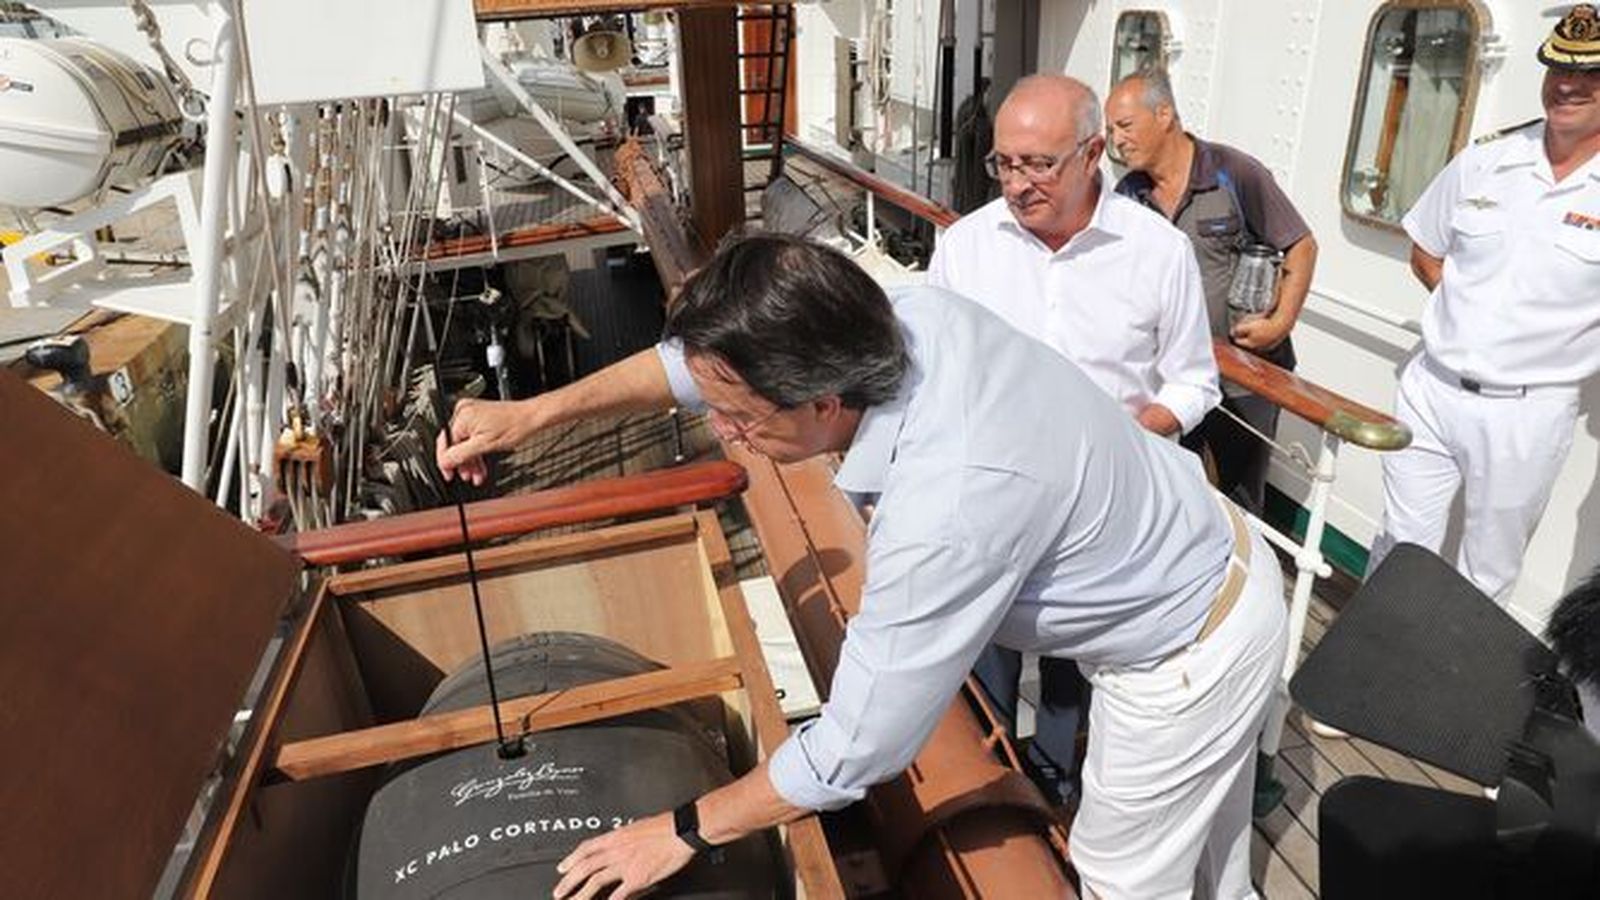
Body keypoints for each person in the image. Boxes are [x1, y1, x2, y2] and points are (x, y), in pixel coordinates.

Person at [438, 234, 1288, 899]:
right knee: (1219, 879)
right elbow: (692, 368)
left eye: (738, 421)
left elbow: (859, 749)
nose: (727, 435)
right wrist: (531, 415)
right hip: (1213, 558)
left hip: (1183, 656)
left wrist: (684, 830)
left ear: (824, 403)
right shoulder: (897, 320)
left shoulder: (949, 503)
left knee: (1125, 881)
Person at [926, 73, 1220, 809]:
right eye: (1004, 163)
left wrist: (1123, 435)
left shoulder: (1157, 252)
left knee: (1077, 666)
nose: (1018, 184)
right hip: (995, 494)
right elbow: (933, 373)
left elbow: (1193, 383)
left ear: (1092, 153)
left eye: (1038, 164)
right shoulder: (965, 248)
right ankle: (993, 784)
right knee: (984, 644)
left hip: (1108, 504)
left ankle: (1057, 787)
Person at [1367, 4, 1600, 604]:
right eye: (1557, 69)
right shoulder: (1490, 157)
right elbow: (1425, 248)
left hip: (1528, 411)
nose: (1567, 85)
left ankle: (1445, 693)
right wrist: (1467, 318)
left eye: (1590, 75)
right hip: (1432, 388)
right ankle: (1365, 682)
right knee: (1399, 546)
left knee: (1486, 575)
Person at [1107, 66, 1319, 515]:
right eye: (1110, 130)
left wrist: (1279, 325)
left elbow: (1301, 246)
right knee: (1168, 488)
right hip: (1173, 378)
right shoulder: (1127, 195)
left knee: (1241, 498)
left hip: (1243, 377)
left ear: (1164, 114)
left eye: (1124, 126)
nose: (1116, 140)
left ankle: (1244, 578)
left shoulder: (1233, 173)